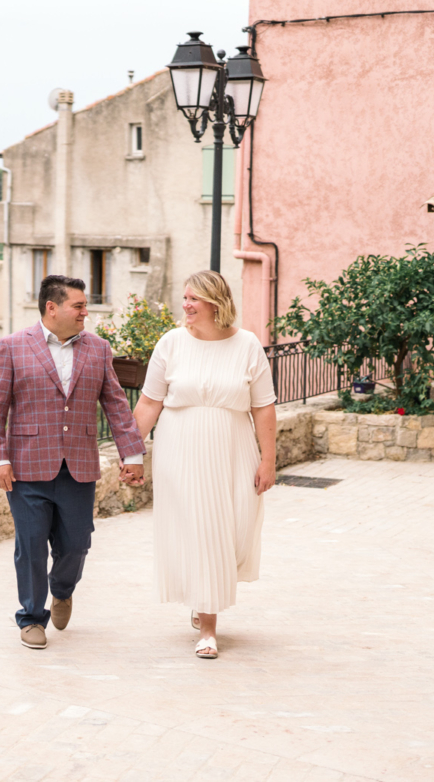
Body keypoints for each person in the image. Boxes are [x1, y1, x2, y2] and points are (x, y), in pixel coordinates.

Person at [0, 274, 148, 650]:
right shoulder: (11, 347)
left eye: (85, 306)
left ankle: (62, 589)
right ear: (51, 307)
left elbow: (116, 405)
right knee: (32, 545)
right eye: (79, 306)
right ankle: (30, 618)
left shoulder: (98, 348)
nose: (85, 312)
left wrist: (132, 454)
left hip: (78, 466)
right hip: (25, 467)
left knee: (76, 544)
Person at [131, 270, 276, 659]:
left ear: (216, 302)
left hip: (233, 447)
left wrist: (269, 459)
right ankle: (209, 629)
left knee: (238, 531)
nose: (186, 305)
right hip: (180, 448)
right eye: (185, 297)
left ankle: (204, 593)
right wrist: (131, 452)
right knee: (203, 530)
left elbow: (264, 407)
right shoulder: (171, 343)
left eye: (194, 298)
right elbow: (149, 404)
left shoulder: (247, 346)